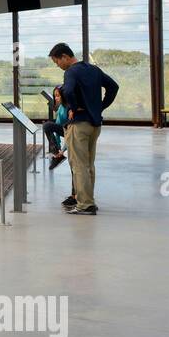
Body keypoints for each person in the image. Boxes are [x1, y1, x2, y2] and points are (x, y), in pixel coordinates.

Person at [48, 43, 119, 215]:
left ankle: (85, 205)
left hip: (79, 125)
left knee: (78, 166)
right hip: (95, 124)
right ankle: (88, 200)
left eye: (57, 61)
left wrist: (73, 107)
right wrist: (100, 107)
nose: (58, 65)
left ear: (65, 56)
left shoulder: (71, 72)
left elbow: (70, 90)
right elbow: (113, 87)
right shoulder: (94, 70)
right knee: (88, 165)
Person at [43, 86, 68, 170]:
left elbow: (71, 133)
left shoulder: (69, 108)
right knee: (47, 125)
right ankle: (56, 153)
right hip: (65, 129)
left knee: (47, 125)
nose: (56, 98)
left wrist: (63, 151)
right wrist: (58, 148)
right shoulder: (61, 107)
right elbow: (58, 123)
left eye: (58, 96)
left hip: (72, 132)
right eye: (55, 96)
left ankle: (58, 155)